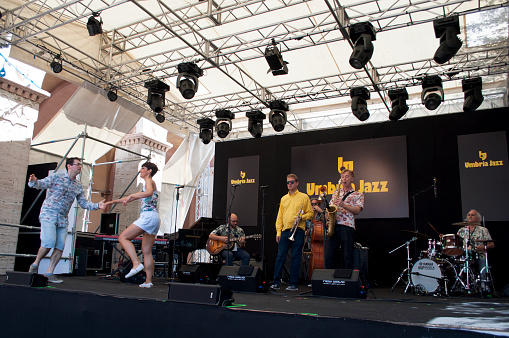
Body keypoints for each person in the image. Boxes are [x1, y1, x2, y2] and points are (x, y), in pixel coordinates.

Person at [27, 157, 106, 283]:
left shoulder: (78, 186)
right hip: (48, 215)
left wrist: (97, 206)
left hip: (63, 219)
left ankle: (49, 273)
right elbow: (40, 184)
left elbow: (84, 204)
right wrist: (34, 181)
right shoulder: (56, 177)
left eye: (81, 165)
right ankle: (35, 264)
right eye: (78, 164)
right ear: (69, 166)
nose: (80, 166)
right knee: (48, 242)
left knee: (60, 246)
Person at [106, 162, 160, 288]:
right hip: (154, 218)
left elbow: (149, 193)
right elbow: (133, 197)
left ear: (149, 171)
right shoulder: (146, 185)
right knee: (146, 251)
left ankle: (136, 264)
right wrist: (112, 201)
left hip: (148, 216)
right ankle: (148, 281)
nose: (140, 170)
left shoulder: (149, 181)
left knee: (123, 237)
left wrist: (131, 195)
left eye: (143, 168)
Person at [271, 174, 313, 291]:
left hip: (298, 231)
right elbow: (280, 217)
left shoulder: (304, 197)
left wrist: (302, 218)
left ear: (297, 183)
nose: (290, 184)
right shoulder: (283, 198)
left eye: (292, 182)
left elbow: (310, 213)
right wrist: (278, 232)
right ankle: (276, 282)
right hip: (285, 231)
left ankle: (293, 283)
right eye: (288, 182)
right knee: (280, 257)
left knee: (296, 257)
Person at [325, 169, 364, 270]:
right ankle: (330, 280)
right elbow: (330, 207)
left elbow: (357, 210)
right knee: (329, 255)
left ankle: (347, 281)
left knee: (347, 255)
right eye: (342, 177)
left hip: (347, 226)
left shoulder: (358, 194)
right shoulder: (336, 192)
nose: (344, 179)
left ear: (352, 179)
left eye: (347, 177)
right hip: (334, 225)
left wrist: (343, 205)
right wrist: (328, 214)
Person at [456, 209, 494, 291]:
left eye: (472, 215)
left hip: (479, 253)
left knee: (483, 260)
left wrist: (483, 247)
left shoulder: (483, 230)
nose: (470, 216)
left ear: (477, 218)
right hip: (465, 254)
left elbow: (492, 244)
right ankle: (461, 285)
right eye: (469, 215)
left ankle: (484, 286)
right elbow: (457, 244)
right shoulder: (461, 230)